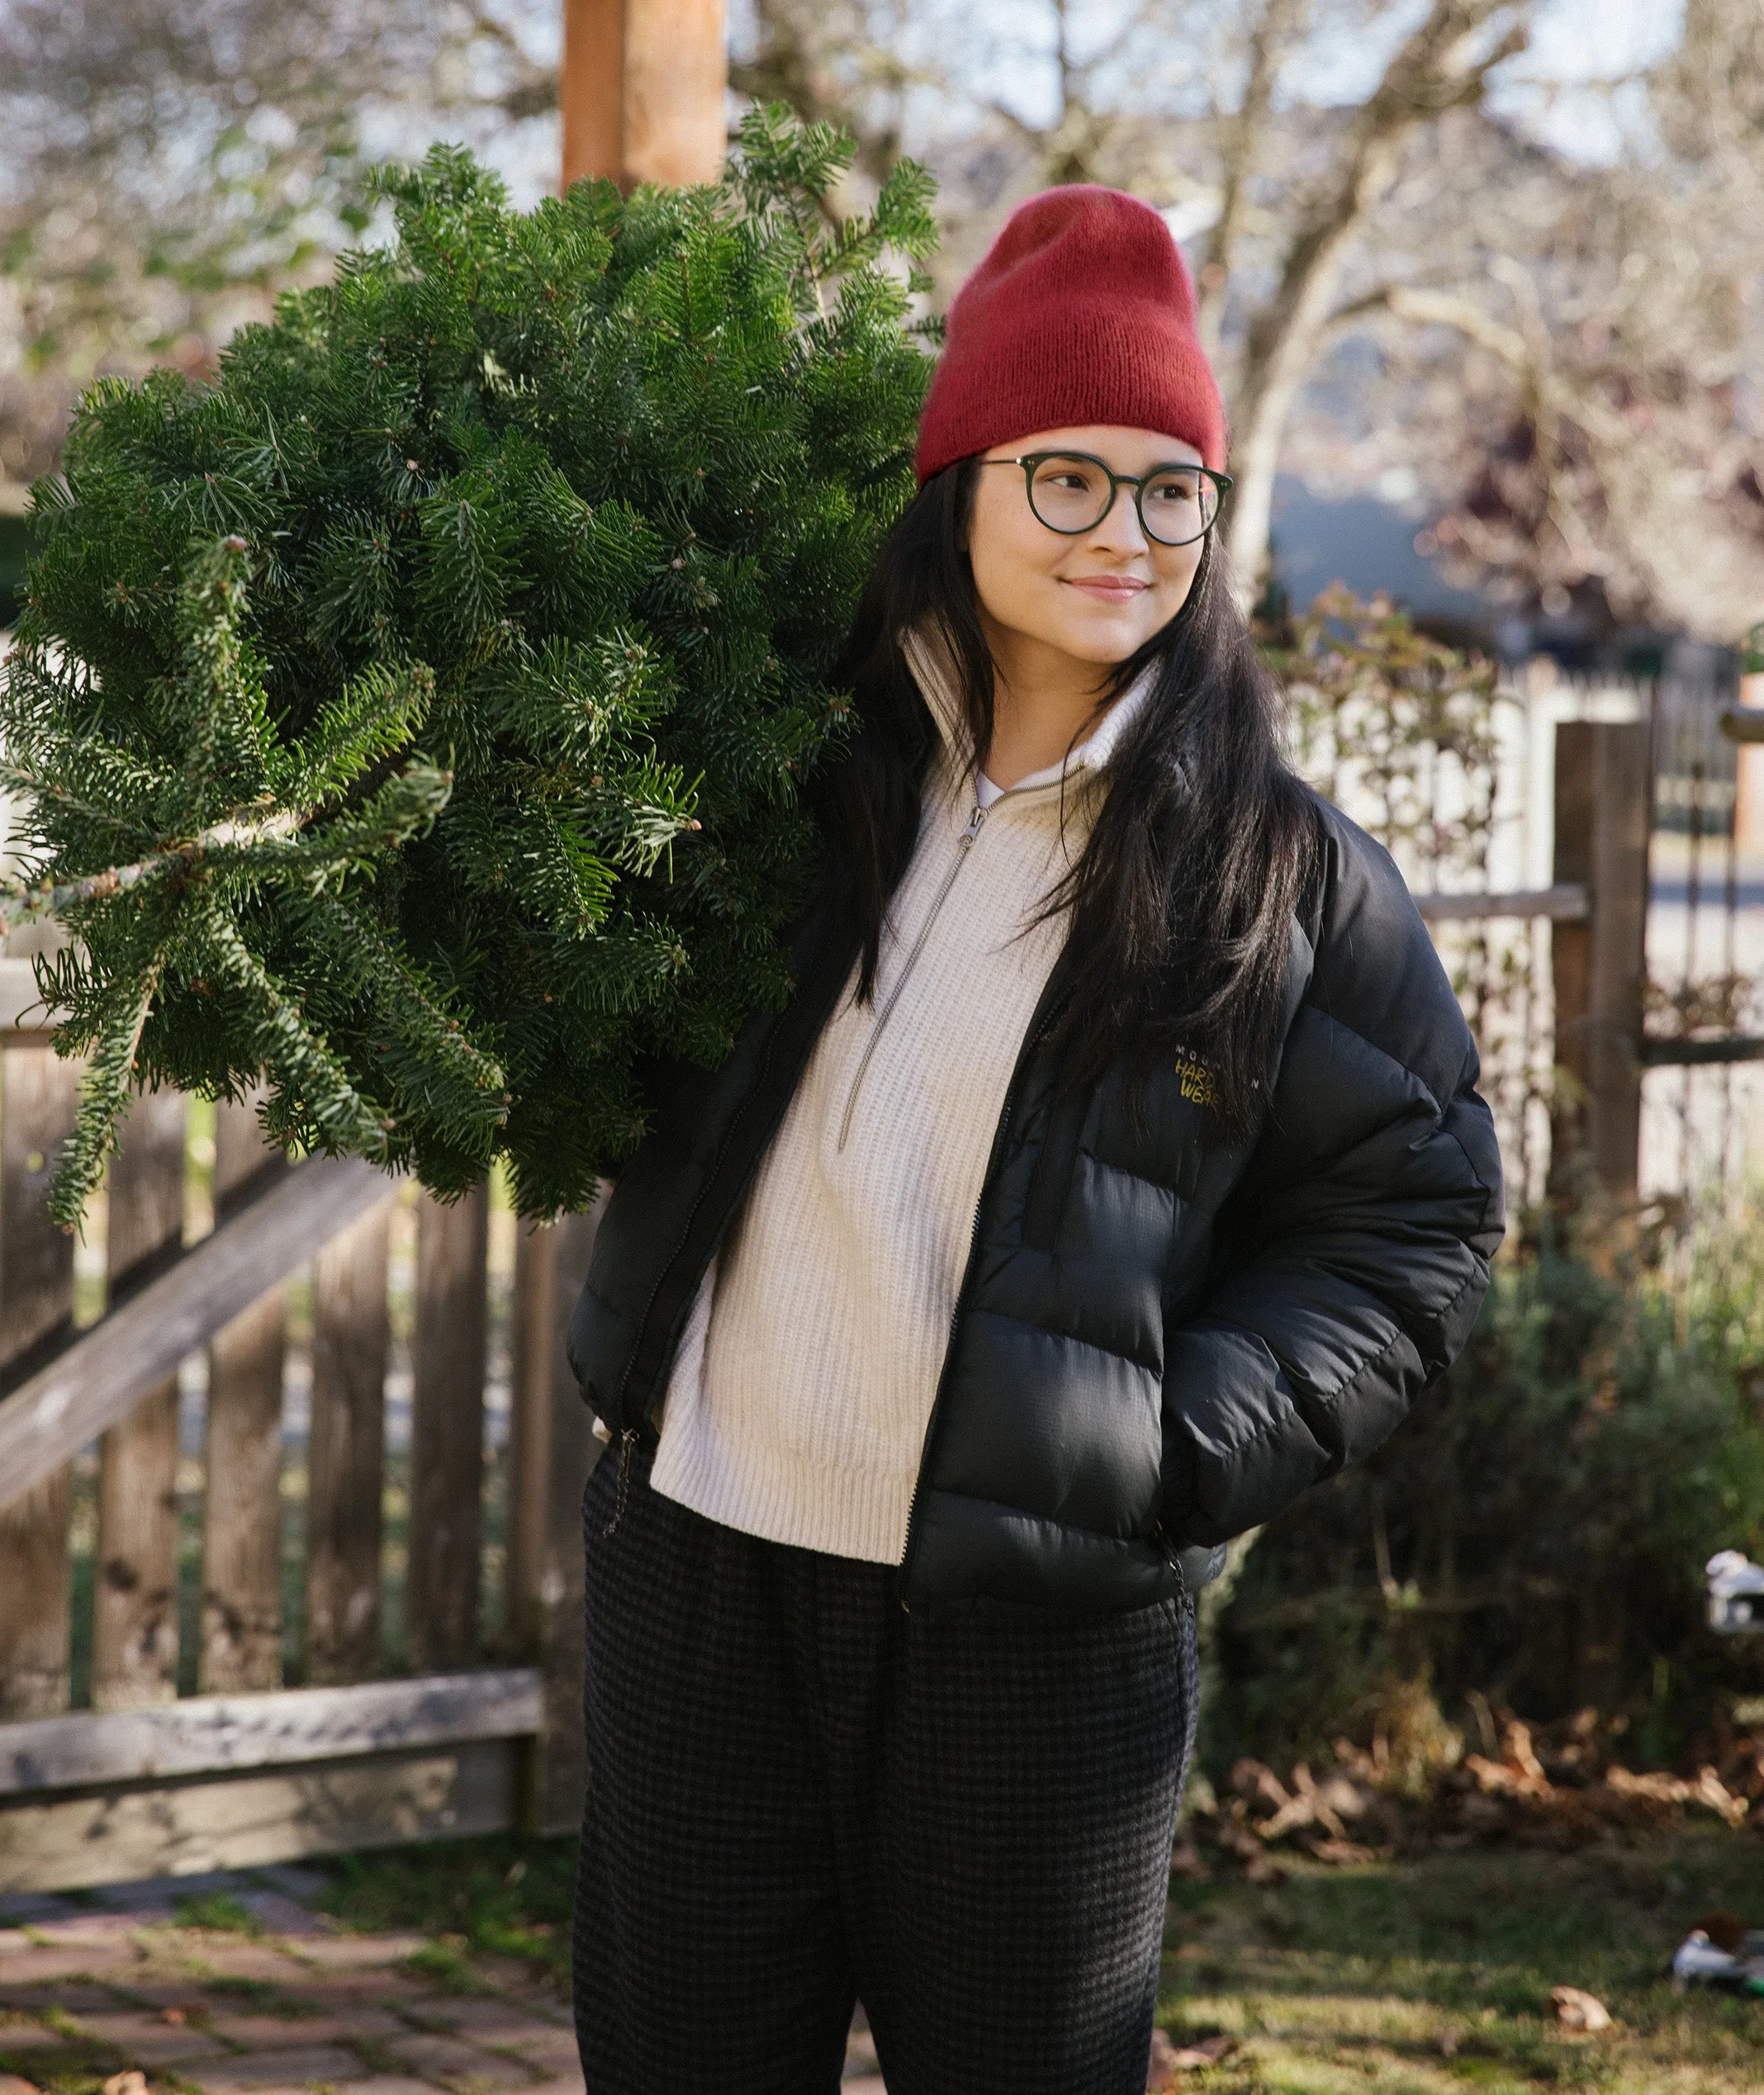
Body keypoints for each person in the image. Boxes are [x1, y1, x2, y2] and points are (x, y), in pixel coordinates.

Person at [566, 185, 1504, 2095]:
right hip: (704, 1563)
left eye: (1175, 490)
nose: (1126, 533)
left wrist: (1161, 1449)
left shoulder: (1281, 873)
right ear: (961, 483)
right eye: (1068, 476)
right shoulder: (776, 774)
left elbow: (1418, 1221)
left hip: (1038, 1632)